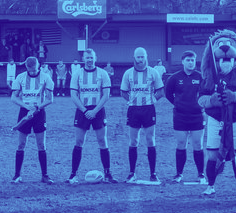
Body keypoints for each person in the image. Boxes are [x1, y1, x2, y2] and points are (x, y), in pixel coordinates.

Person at [201, 30, 236, 197]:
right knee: (212, 153)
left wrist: (235, 96)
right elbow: (200, 98)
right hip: (216, 119)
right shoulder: (208, 76)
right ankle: (210, 185)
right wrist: (212, 100)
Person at [67, 51, 115, 183]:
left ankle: (108, 174)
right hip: (82, 110)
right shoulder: (77, 74)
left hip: (98, 110)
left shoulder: (103, 73)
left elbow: (106, 95)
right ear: (83, 59)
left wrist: (94, 111)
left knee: (102, 140)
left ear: (95, 58)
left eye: (91, 58)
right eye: (87, 58)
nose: (89, 60)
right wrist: (84, 110)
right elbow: (73, 95)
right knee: (79, 141)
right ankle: (73, 175)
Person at [161, 51, 209, 184]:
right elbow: (168, 94)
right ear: (183, 61)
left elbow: (207, 93)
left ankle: (201, 174)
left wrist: (199, 106)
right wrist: (178, 105)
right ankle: (179, 174)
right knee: (181, 144)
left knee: (198, 144)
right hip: (180, 116)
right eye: (188, 60)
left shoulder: (201, 77)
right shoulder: (174, 78)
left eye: (192, 60)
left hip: (197, 116)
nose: (190, 62)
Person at [120, 48, 166, 185]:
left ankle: (153, 174)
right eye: (138, 57)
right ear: (134, 57)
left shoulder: (153, 72)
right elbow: (123, 92)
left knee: (150, 140)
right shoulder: (128, 73)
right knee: (133, 141)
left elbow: (160, 91)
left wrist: (152, 100)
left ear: (146, 57)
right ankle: (131, 173)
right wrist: (131, 101)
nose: (140, 59)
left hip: (148, 109)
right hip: (133, 110)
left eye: (142, 57)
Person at [10, 54, 54, 184]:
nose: (33, 72)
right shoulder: (20, 77)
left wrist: (37, 108)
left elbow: (50, 99)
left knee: (41, 144)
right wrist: (26, 107)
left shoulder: (46, 77)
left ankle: (45, 175)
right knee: (21, 144)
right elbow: (13, 97)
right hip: (24, 113)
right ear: (26, 67)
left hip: (39, 112)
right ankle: (17, 175)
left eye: (35, 70)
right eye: (30, 70)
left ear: (38, 66)